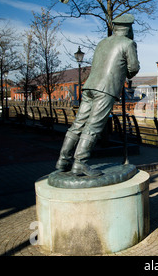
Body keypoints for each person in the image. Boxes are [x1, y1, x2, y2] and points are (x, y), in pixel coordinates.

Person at [55, 14, 140, 177]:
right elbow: (133, 68)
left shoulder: (102, 43)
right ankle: (80, 163)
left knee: (78, 123)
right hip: (106, 88)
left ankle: (63, 160)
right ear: (129, 28)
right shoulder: (128, 43)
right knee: (93, 126)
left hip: (89, 87)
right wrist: (127, 73)